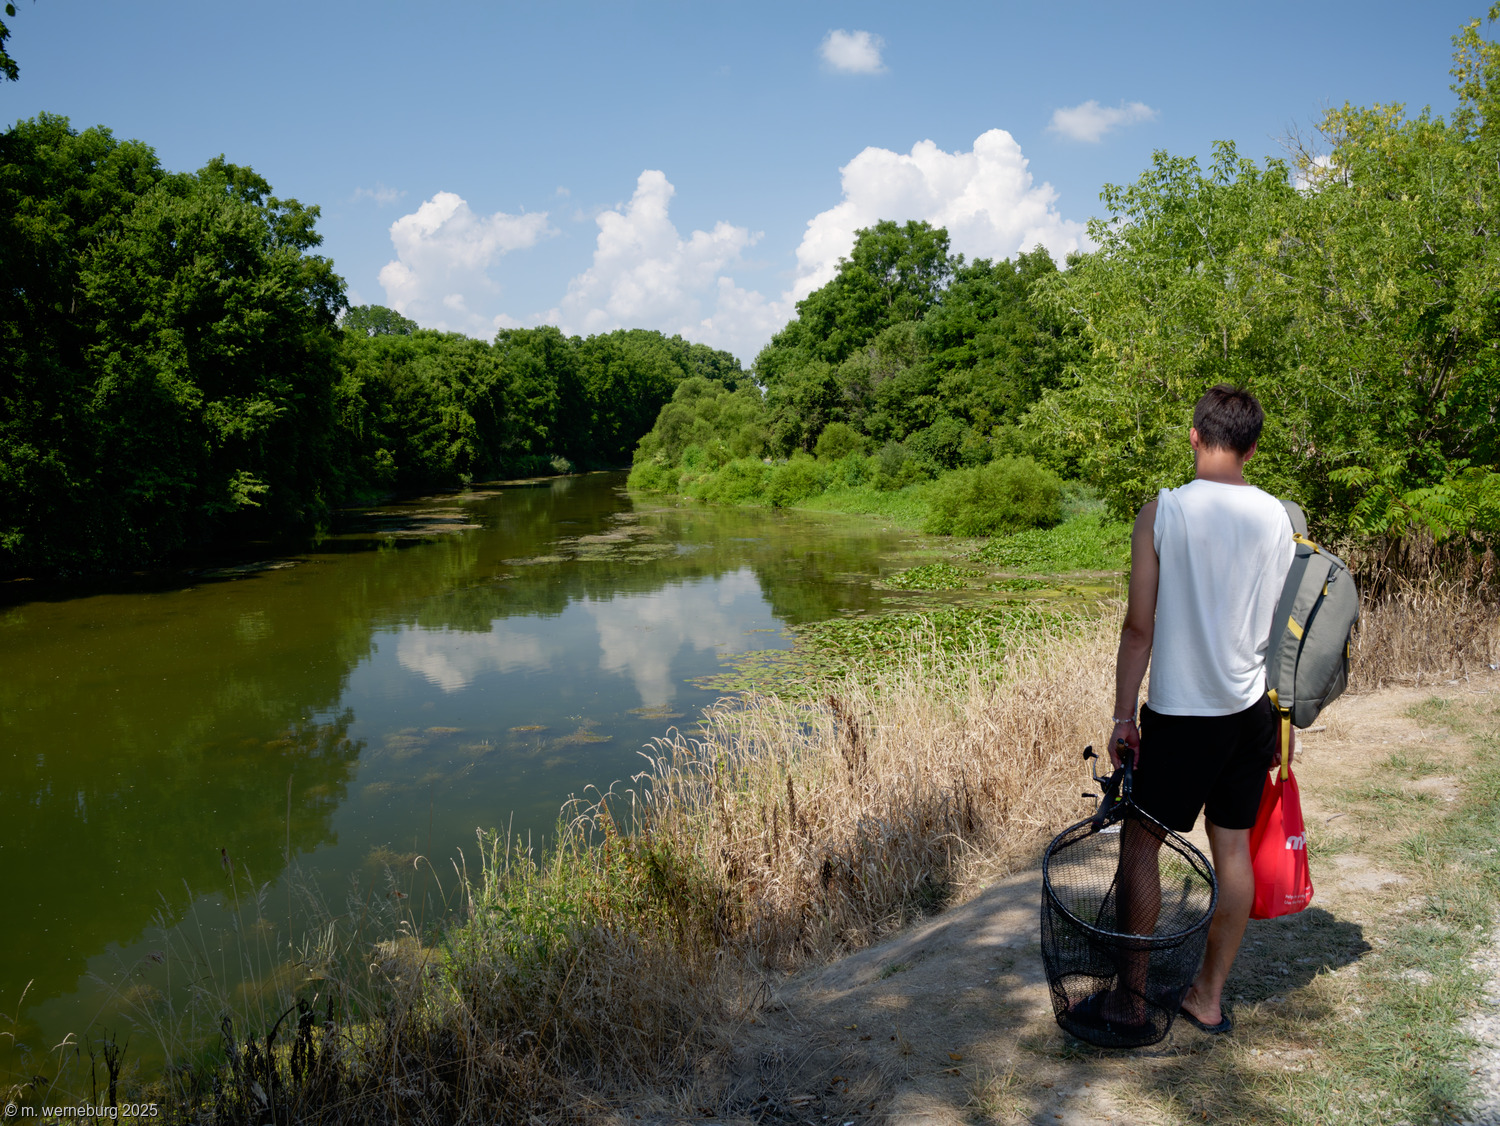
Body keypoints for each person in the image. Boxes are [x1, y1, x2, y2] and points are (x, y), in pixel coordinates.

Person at [1103, 384, 1295, 1036]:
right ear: (1252, 446)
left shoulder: (1162, 513)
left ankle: (1129, 1002)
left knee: (1140, 842)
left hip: (1184, 714)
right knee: (1232, 849)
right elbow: (1275, 619)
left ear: (1194, 436)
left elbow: (1138, 628)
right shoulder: (1277, 516)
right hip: (1250, 711)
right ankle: (1207, 998)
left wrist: (1124, 716)